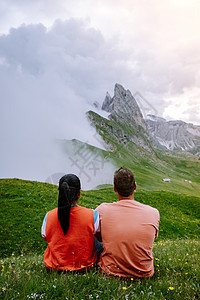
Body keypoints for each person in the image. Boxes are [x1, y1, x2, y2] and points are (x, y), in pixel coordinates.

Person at [96, 166, 160, 278]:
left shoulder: (102, 210)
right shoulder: (153, 212)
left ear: (114, 188)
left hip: (110, 271)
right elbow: (153, 238)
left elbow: (96, 236)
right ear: (135, 186)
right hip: (144, 273)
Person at [41, 174, 100, 272]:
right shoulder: (92, 215)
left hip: (54, 268)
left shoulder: (49, 216)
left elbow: (45, 237)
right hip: (84, 268)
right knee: (97, 239)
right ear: (79, 193)